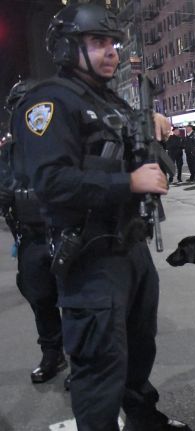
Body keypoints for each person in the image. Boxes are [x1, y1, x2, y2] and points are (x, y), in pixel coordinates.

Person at [15, 4, 191, 430]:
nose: (111, 51)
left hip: (130, 246)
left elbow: (117, 131)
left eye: (112, 43)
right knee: (98, 367)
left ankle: (144, 421)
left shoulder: (105, 99)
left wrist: (148, 120)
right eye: (98, 42)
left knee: (138, 348)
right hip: (90, 257)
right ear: (67, 48)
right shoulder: (49, 102)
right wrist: (128, 183)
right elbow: (51, 184)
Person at [3, 79, 67, 386]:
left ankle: (83, 359)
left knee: (76, 299)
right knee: (41, 299)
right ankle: (53, 353)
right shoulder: (9, 154)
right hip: (31, 238)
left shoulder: (64, 146)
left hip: (67, 234)